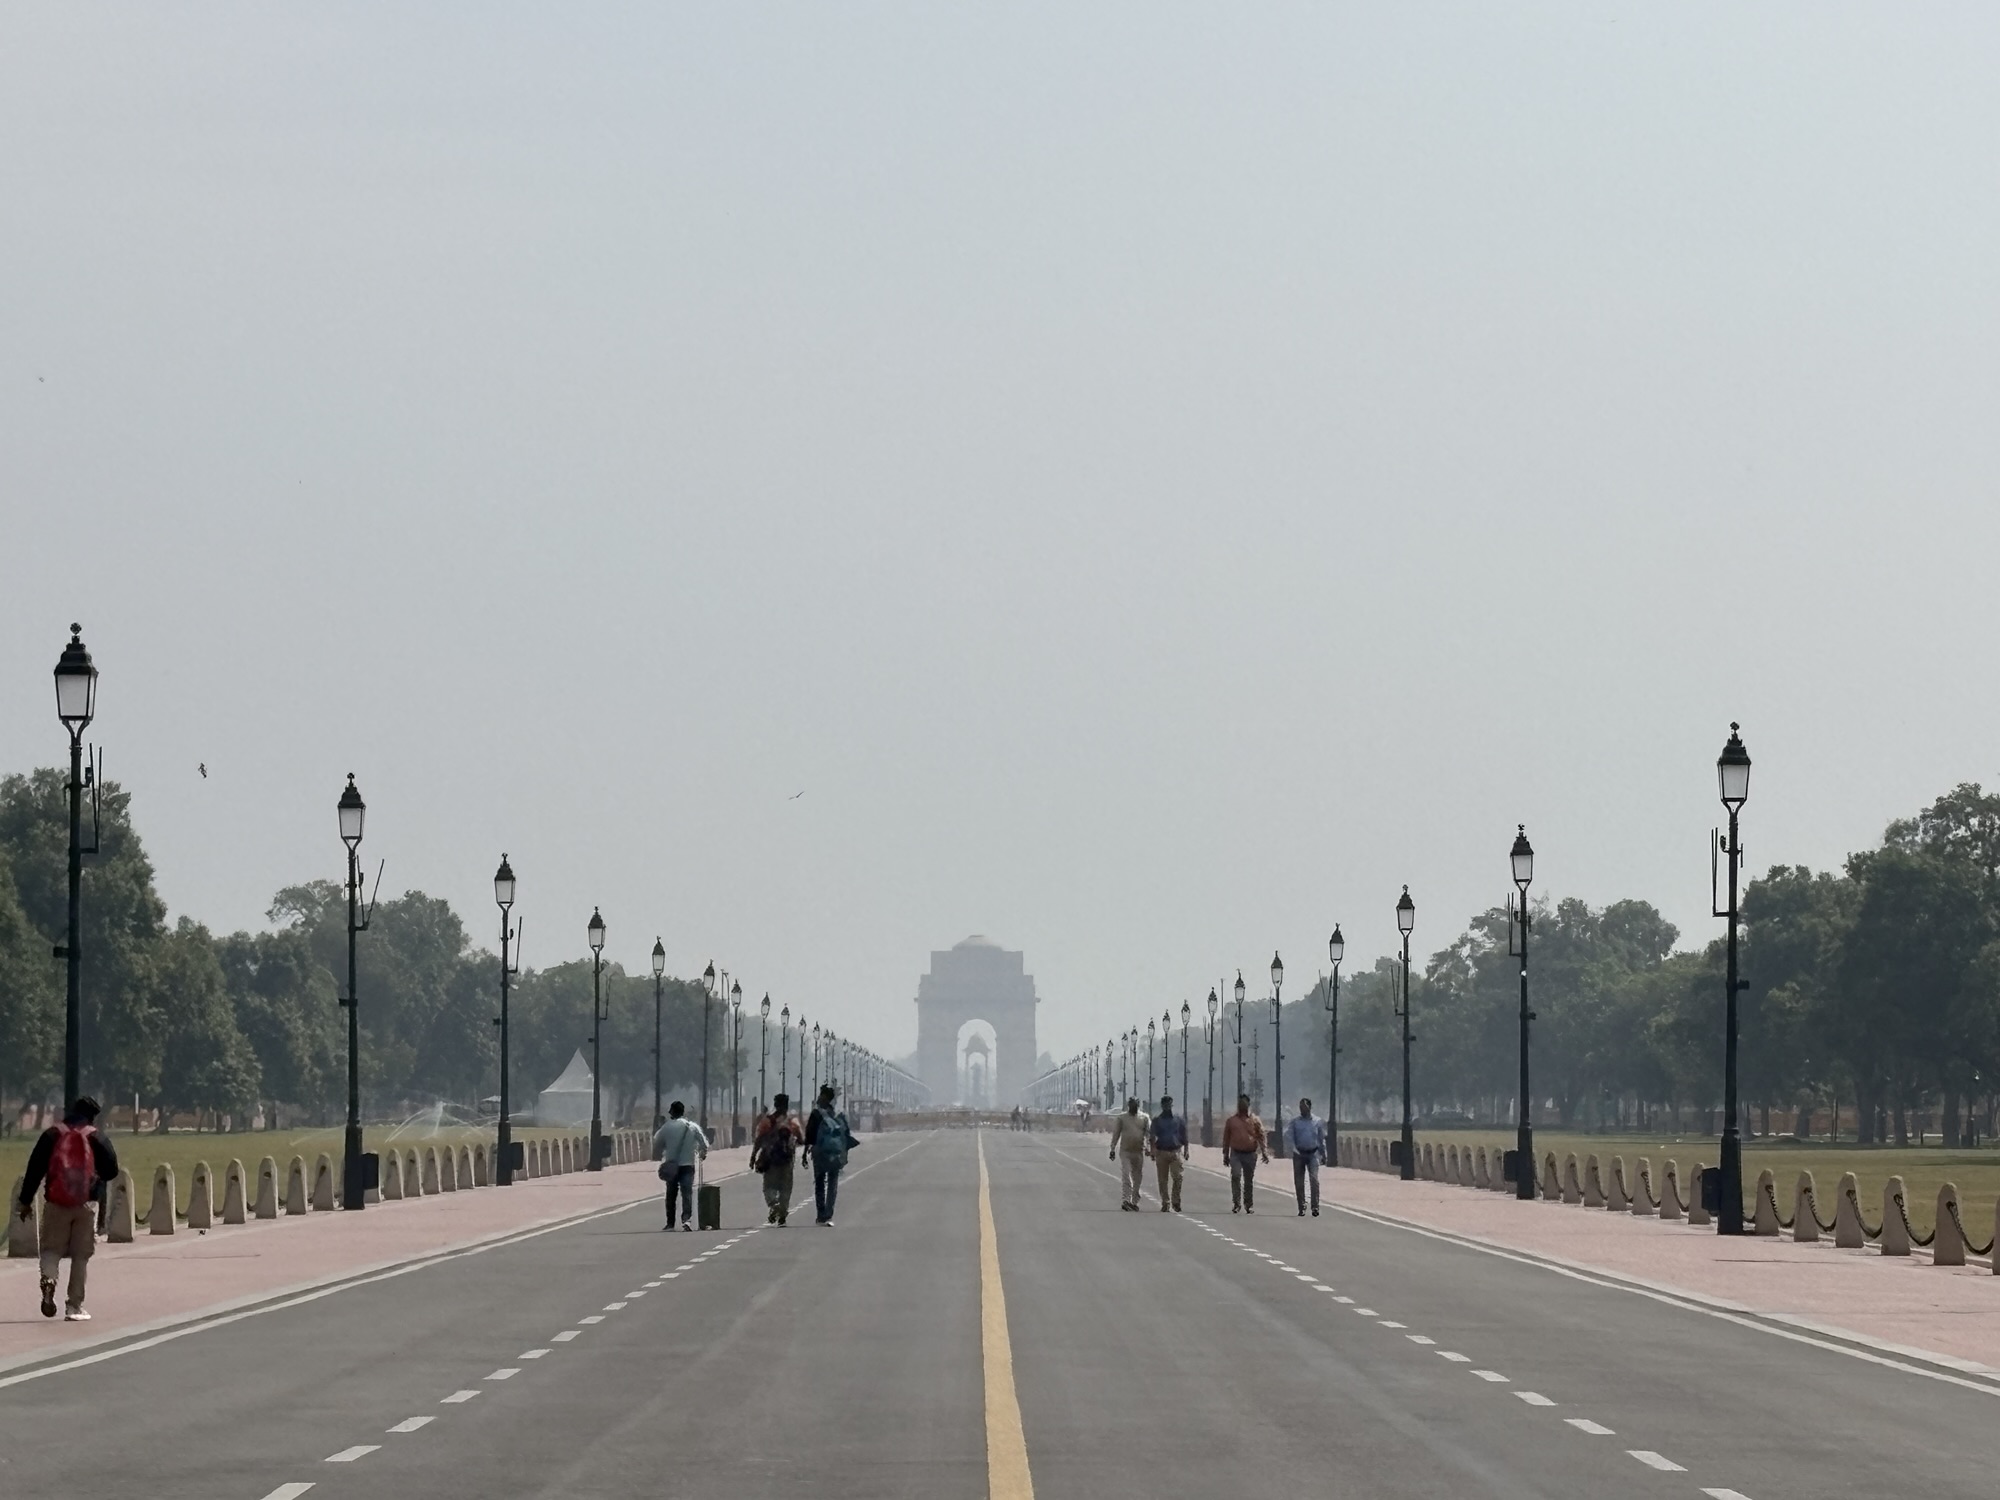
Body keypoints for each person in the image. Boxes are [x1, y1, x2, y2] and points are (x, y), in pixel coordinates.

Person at [16, 1097, 119, 1322]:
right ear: (93, 1116)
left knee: (51, 1250)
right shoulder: (95, 1136)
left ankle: (49, 1281)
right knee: (81, 1256)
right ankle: (74, 1306)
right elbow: (112, 1169)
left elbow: (34, 1169)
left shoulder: (52, 1134)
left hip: (56, 1202)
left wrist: (25, 1201)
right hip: (86, 1204)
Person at [802, 1084, 854, 1226]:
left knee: (819, 1183)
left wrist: (804, 1153)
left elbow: (809, 1135)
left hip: (819, 1153)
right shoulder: (836, 1114)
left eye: (821, 1095)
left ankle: (821, 1215)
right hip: (835, 1153)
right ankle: (829, 1214)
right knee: (832, 1183)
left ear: (824, 1097)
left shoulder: (816, 1114)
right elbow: (845, 1136)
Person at [652, 1100, 708, 1232]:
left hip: (672, 1165)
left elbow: (657, 1143)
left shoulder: (666, 1127)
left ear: (672, 1112)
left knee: (671, 1194)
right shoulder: (692, 1127)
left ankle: (670, 1223)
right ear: (683, 1112)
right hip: (688, 1165)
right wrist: (702, 1154)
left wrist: (663, 1151)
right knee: (687, 1193)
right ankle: (686, 1220)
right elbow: (704, 1144)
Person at [752, 1092, 801, 1225]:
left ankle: (774, 1205)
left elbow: (759, 1139)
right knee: (786, 1188)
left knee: (769, 1187)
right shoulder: (792, 1122)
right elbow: (801, 1139)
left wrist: (753, 1156)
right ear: (786, 1105)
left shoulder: (767, 1121)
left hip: (770, 1160)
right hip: (787, 1160)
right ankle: (783, 1213)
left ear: (775, 1104)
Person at [1219, 1094, 1269, 1214]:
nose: (1241, 1105)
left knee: (1248, 1180)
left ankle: (1249, 1205)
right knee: (1235, 1176)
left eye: (1244, 1103)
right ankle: (1236, 1203)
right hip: (1236, 1153)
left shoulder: (1255, 1120)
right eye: (1240, 1103)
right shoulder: (1231, 1121)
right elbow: (1226, 1139)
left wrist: (1264, 1152)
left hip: (1250, 1154)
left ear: (1248, 1104)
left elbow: (1261, 1136)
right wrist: (1225, 1154)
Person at [1107, 1096, 1151, 1211]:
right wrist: (1112, 1149)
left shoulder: (1144, 1118)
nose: (1134, 1107)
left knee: (1137, 1177)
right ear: (1128, 1105)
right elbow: (1116, 1134)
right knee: (1126, 1175)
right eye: (1131, 1105)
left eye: (1135, 1104)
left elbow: (1148, 1134)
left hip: (1138, 1151)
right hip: (1125, 1151)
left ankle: (1134, 1201)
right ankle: (1126, 1199)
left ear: (1139, 1105)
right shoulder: (1122, 1118)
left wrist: (1149, 1147)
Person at [1148, 1095, 1188, 1213]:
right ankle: (1165, 1202)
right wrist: (1153, 1150)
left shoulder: (1178, 1120)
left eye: (1169, 1104)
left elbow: (1184, 1135)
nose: (1167, 1106)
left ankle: (1176, 1201)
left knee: (1178, 1177)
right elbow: (1152, 1136)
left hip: (1175, 1152)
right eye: (1165, 1104)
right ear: (1162, 1106)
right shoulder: (1157, 1120)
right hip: (1161, 1152)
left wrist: (1186, 1150)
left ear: (1171, 1105)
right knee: (1162, 1180)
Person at [1287, 1097, 1326, 1217]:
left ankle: (1315, 1206)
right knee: (1299, 1182)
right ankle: (1301, 1206)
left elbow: (1321, 1138)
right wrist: (1293, 1148)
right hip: (1299, 1154)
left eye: (1304, 1106)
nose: (1302, 1109)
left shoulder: (1317, 1121)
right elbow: (1289, 1136)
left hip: (1313, 1154)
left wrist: (1324, 1154)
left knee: (1314, 1180)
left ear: (1309, 1107)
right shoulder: (1295, 1122)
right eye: (1300, 1107)